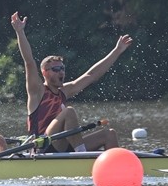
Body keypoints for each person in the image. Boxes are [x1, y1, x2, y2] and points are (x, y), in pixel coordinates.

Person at [11, 11, 132, 152]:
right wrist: (20, 32)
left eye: (62, 68)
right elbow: (29, 62)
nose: (61, 72)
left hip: (62, 144)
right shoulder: (37, 91)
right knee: (69, 112)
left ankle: (114, 163)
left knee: (109, 134)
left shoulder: (64, 91)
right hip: (42, 147)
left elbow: (91, 75)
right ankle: (81, 154)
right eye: (56, 69)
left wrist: (117, 51)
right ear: (44, 72)